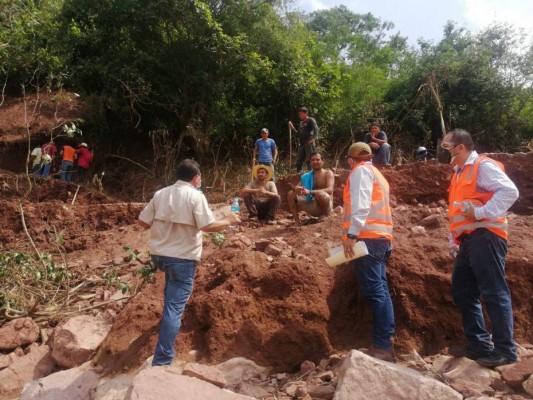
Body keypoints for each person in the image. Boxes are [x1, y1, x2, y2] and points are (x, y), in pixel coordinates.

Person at [138, 159, 240, 366]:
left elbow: (142, 221)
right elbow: (208, 225)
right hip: (182, 259)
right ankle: (162, 360)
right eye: (200, 177)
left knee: (171, 294)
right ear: (196, 178)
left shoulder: (161, 193)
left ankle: (166, 329)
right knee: (174, 309)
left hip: (160, 256)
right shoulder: (196, 195)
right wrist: (229, 220)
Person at [443, 129, 519, 368]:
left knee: (494, 290)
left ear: (461, 147)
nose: (444, 150)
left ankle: (506, 350)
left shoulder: (482, 166)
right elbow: (458, 211)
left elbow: (510, 191)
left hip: (486, 235)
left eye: (447, 146)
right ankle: (479, 345)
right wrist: (455, 241)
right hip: (468, 241)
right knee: (463, 290)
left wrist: (481, 213)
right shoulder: (458, 174)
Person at [342, 142, 394, 361]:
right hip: (381, 238)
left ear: (351, 160)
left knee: (375, 291)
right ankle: (384, 342)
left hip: (368, 239)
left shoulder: (360, 172)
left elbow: (361, 206)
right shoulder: (377, 173)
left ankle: (382, 346)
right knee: (380, 289)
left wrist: (352, 235)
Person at [287, 152, 334, 226]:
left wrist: (310, 191)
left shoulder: (328, 173)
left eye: (317, 160)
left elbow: (330, 189)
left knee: (320, 194)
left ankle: (324, 217)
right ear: (310, 162)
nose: (315, 162)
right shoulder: (306, 176)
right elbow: (297, 188)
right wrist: (297, 189)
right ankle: (297, 222)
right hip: (311, 204)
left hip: (325, 206)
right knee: (290, 194)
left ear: (322, 161)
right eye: (313, 160)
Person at [289, 106, 319, 172]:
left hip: (309, 142)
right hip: (302, 144)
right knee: (298, 162)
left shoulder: (311, 120)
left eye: (301, 114)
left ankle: (311, 174)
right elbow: (298, 134)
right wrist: (292, 127)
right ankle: (298, 176)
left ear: (306, 113)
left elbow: (316, 129)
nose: (300, 115)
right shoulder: (301, 124)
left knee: (309, 160)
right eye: (299, 114)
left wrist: (314, 139)